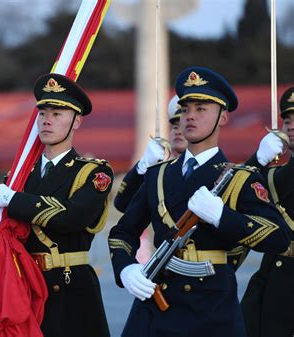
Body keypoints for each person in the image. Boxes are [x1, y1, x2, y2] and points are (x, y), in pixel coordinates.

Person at [108, 66, 291, 337]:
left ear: (223, 117)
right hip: (158, 301)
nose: (190, 116)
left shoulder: (240, 178)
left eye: (202, 108)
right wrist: (125, 268)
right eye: (186, 108)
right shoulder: (158, 175)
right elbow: (122, 232)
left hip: (211, 308)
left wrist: (221, 216)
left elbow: (278, 237)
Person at [0, 73, 113, 337]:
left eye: (58, 113)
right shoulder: (18, 176)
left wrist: (11, 199)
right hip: (21, 288)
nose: (47, 120)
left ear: (77, 122)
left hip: (70, 288)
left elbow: (71, 217)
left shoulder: (92, 173)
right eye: (43, 113)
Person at [241, 86, 294, 337]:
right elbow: (231, 192)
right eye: (287, 120)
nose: (291, 126)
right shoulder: (272, 175)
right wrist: (257, 161)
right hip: (277, 281)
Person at [114, 94, 188, 213]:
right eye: (175, 127)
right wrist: (142, 167)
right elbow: (123, 204)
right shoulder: (161, 173)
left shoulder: (219, 171)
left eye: (184, 126)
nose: (178, 132)